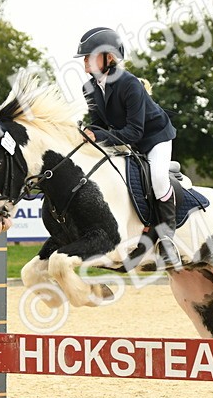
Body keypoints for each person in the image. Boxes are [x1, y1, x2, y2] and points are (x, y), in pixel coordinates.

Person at [76, 26, 179, 262]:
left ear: (108, 57)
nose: (84, 60)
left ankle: (167, 238)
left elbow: (134, 131)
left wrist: (98, 135)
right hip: (127, 138)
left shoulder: (129, 84)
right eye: (84, 56)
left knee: (159, 179)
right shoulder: (89, 88)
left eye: (90, 55)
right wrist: (87, 131)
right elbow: (99, 122)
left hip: (155, 138)